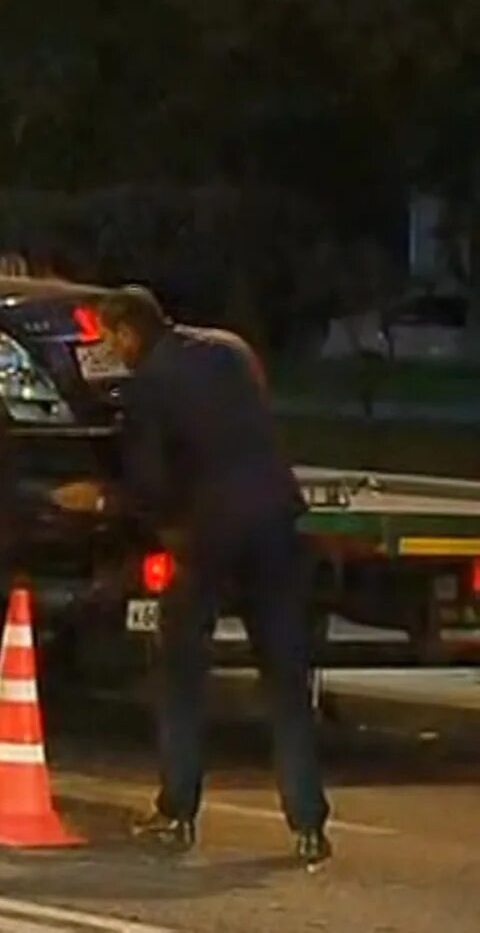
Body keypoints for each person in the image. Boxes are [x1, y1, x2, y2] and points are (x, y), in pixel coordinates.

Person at [52, 286, 332, 867]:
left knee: (181, 670)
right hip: (277, 522)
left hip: (208, 537)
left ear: (128, 331)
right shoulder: (225, 352)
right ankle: (308, 823)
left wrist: (103, 499)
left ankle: (177, 810)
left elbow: (153, 486)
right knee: (285, 677)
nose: (110, 350)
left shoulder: (149, 386)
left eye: (110, 339)